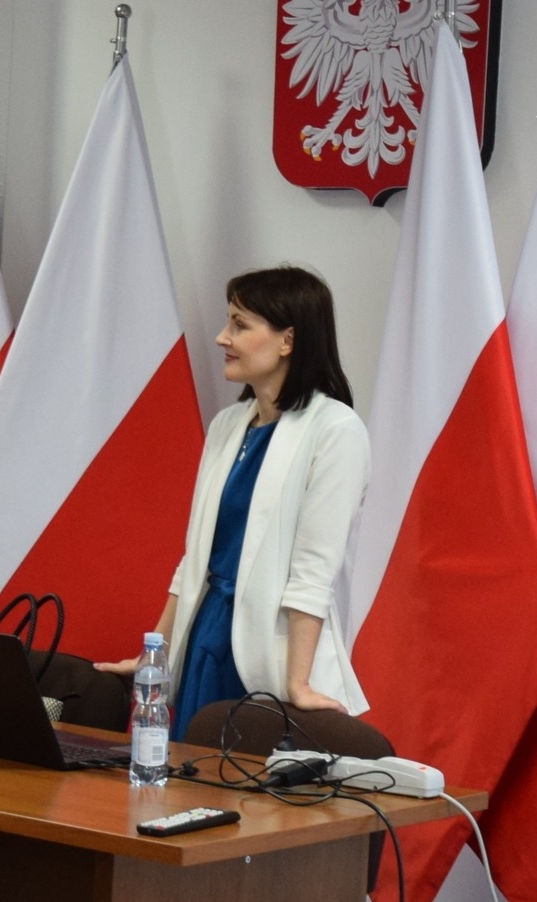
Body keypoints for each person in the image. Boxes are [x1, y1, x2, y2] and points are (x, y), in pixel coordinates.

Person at [95, 266, 370, 735]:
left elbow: (314, 571)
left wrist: (298, 682)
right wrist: (154, 656)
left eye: (240, 325)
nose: (223, 337)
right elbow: (195, 560)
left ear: (288, 340)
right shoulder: (227, 424)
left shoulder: (336, 430)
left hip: (267, 650)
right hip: (207, 634)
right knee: (187, 768)